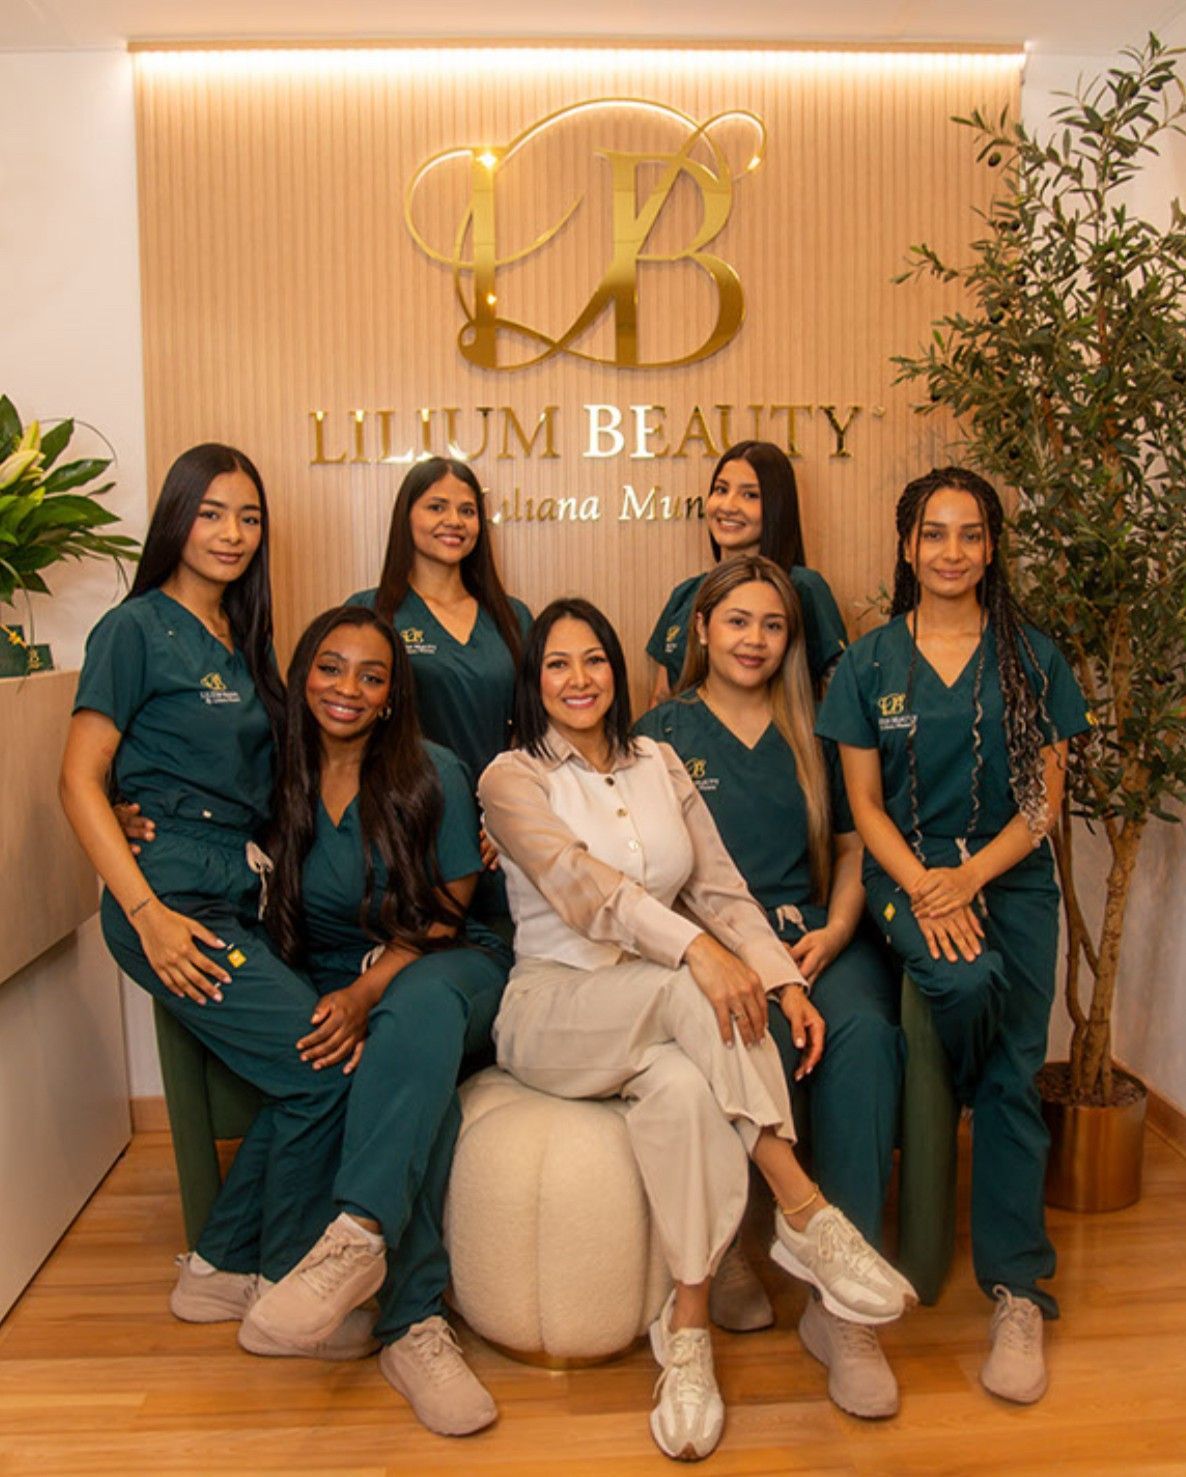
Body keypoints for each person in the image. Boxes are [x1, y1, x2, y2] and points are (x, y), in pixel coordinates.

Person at [478, 597, 915, 1463]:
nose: (578, 679)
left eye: (594, 660)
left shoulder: (659, 760)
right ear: (535, 679)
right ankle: (806, 1211)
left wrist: (784, 982)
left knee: (683, 1087)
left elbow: (717, 890)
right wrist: (701, 956)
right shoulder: (511, 776)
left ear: (618, 670)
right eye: (557, 663)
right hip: (555, 1009)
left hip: (650, 1018)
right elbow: (584, 889)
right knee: (693, 987)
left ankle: (686, 1329)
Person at [59, 444, 354, 1327]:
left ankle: (221, 1262)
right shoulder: (134, 628)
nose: (232, 533)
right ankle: (277, 1275)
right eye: (214, 511)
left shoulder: (244, 636)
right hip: (173, 899)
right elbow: (78, 779)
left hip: (238, 884)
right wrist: (146, 915)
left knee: (312, 1064)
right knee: (322, 1069)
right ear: (177, 518)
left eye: (249, 516)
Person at [816, 467, 1090, 1406]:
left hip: (1009, 880)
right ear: (906, 547)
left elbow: (1042, 803)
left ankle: (1017, 1291)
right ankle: (965, 1095)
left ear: (990, 549)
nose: (952, 552)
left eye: (971, 535)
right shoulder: (869, 664)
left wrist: (970, 878)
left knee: (1016, 1073)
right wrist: (929, 886)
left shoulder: (1032, 659)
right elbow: (861, 803)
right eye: (934, 534)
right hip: (906, 874)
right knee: (968, 989)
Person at [635, 555, 904, 1419]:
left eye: (773, 624)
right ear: (701, 629)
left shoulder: (816, 727)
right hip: (714, 950)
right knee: (733, 1030)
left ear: (792, 639)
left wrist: (833, 929)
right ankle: (735, 1244)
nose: (754, 639)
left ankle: (843, 1313)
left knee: (863, 1037)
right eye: (737, 620)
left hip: (820, 939)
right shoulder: (657, 734)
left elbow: (858, 845)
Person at [240, 604, 510, 1435]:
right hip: (335, 979)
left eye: (371, 674)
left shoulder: (431, 769)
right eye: (330, 667)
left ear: (394, 694)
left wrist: (365, 994)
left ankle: (359, 1238)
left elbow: (445, 910)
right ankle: (411, 1321)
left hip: (448, 961)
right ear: (302, 675)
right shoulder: (272, 777)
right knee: (406, 1073)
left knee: (412, 1007)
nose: (347, 688)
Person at [347, 456, 531, 788]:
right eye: (436, 507)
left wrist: (510, 810)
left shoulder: (513, 617)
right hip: (403, 809)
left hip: (494, 816)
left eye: (467, 511)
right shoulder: (370, 611)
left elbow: (535, 728)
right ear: (406, 517)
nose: (454, 521)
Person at [646, 440, 847, 707]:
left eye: (750, 495)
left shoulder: (803, 588)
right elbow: (661, 697)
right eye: (721, 489)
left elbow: (841, 696)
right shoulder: (685, 595)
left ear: (777, 507)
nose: (728, 505)